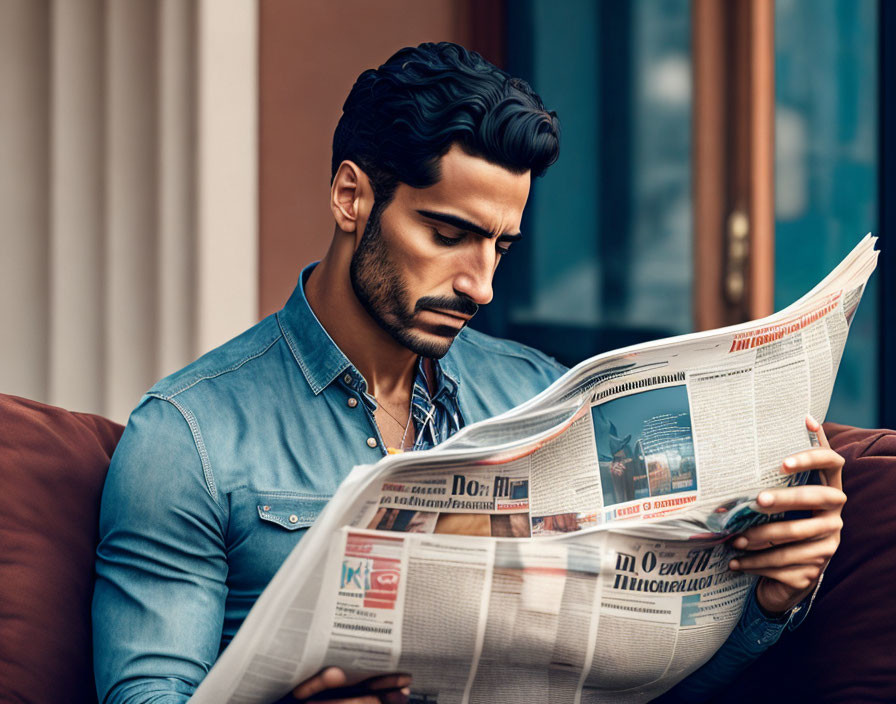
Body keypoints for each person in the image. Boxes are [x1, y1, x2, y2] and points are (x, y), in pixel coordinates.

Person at [92, 42, 846, 704]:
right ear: (352, 197)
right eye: (448, 234)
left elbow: (643, 684)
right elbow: (144, 690)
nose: (480, 286)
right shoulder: (188, 436)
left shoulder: (539, 397)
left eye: (500, 247)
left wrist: (773, 600)